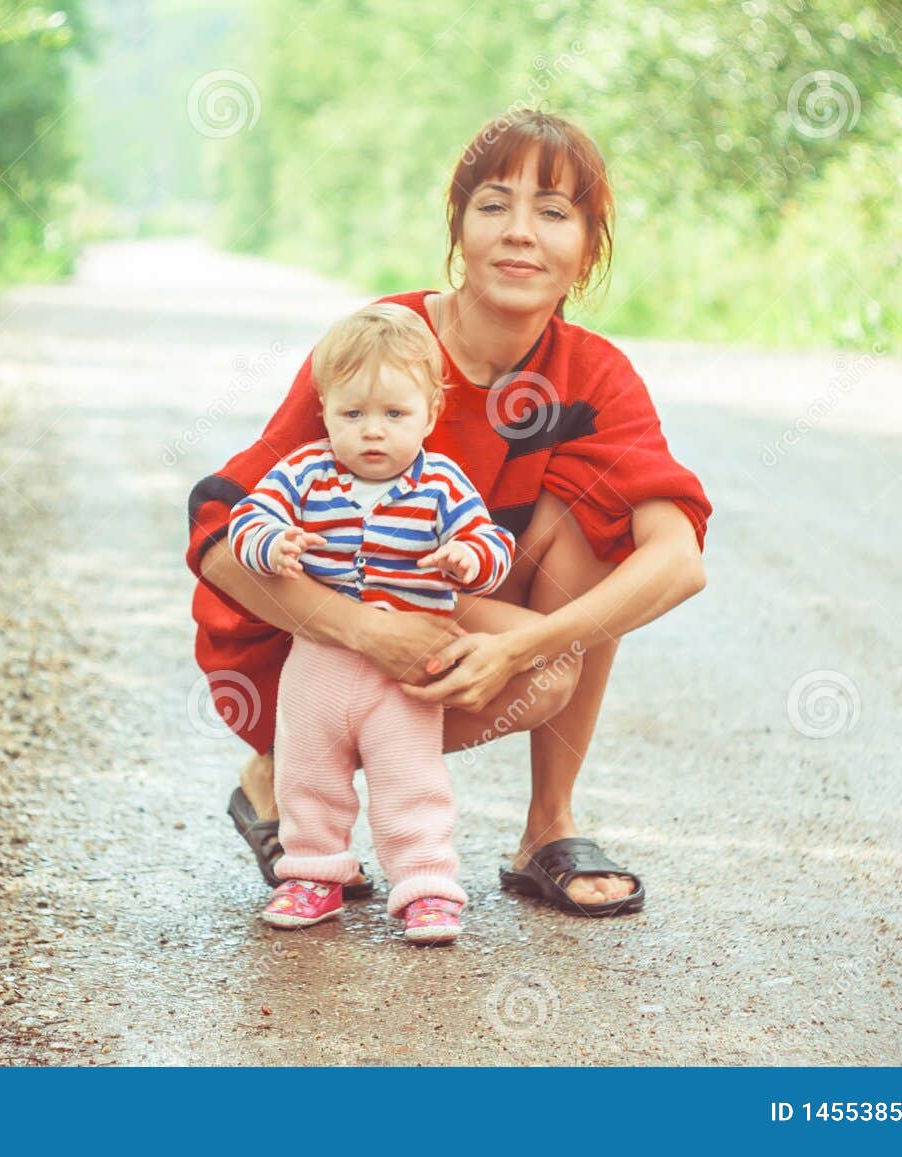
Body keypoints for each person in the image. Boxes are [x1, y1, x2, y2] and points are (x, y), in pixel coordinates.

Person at [188, 109, 712, 917]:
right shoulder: (385, 344)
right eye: (494, 205)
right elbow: (220, 534)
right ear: (459, 227)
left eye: (554, 212)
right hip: (311, 616)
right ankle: (280, 764)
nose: (520, 235)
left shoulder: (594, 374)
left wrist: (525, 647)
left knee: (596, 535)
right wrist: (366, 628)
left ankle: (548, 828)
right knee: (505, 650)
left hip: (448, 603)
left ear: (588, 248)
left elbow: (677, 559)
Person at [229, 303, 515, 944]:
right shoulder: (305, 472)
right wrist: (270, 542)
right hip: (320, 661)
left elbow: (491, 541)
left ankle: (426, 886)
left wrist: (468, 560)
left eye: (394, 414)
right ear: (325, 409)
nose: (372, 432)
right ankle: (311, 875)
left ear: (430, 414)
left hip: (403, 673)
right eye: (352, 414)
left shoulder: (441, 482)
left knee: (411, 781)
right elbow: (246, 518)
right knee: (308, 775)